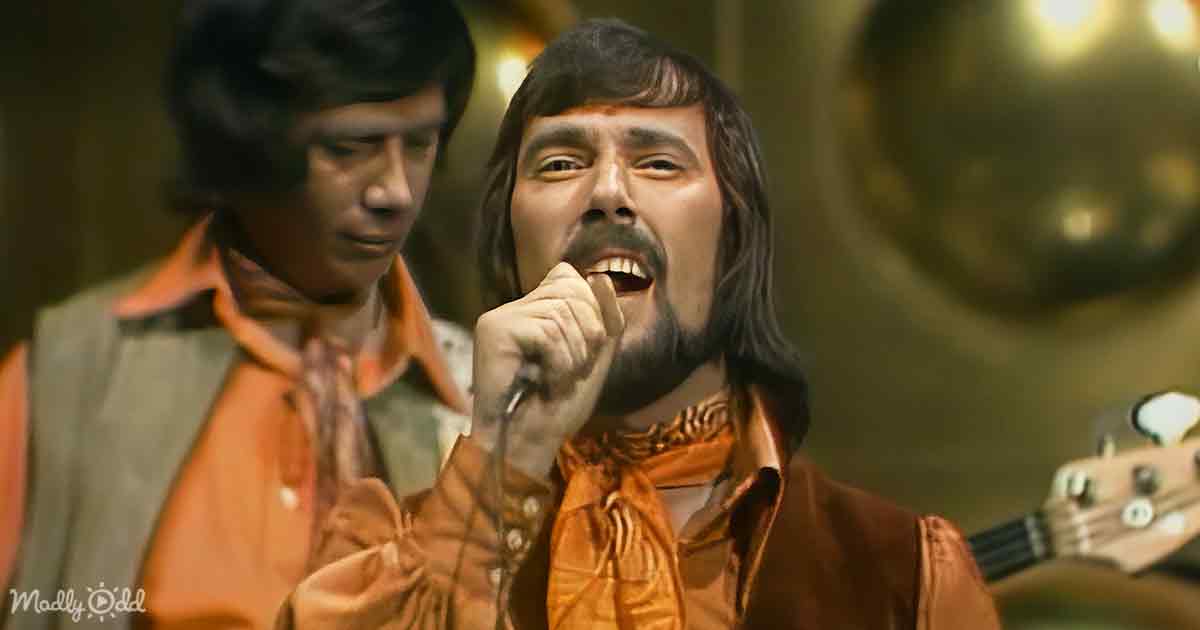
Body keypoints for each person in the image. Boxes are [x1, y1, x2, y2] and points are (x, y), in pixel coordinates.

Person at [276, 18, 1000, 630]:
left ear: (735, 236)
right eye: (561, 163)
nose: (608, 192)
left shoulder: (906, 575)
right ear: (510, 242)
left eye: (657, 162)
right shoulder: (380, 559)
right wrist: (504, 460)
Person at [0, 1, 476, 628]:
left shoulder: (480, 394)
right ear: (251, 144)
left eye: (419, 144)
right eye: (348, 148)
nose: (396, 191)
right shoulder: (72, 372)